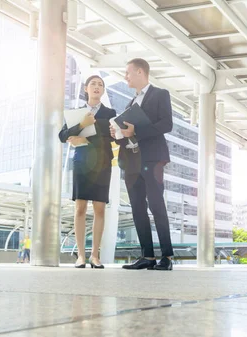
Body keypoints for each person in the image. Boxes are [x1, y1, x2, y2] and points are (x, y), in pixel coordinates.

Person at [109, 58, 174, 271]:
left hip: (152, 159)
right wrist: (117, 134)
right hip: (132, 161)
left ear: (139, 72)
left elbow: (166, 124)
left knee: (156, 205)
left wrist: (135, 131)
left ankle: (166, 256)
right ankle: (147, 255)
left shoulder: (160, 94)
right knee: (137, 208)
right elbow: (127, 134)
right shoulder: (131, 103)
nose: (125, 77)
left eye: (127, 73)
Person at [59, 75, 115, 269]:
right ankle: (81, 255)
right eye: (93, 84)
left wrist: (84, 140)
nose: (97, 87)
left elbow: (109, 138)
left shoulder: (110, 112)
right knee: (80, 207)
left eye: (100, 84)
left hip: (102, 163)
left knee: (99, 208)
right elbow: (63, 135)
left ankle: (95, 256)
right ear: (86, 89)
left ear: (103, 90)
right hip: (82, 163)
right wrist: (82, 124)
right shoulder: (76, 113)